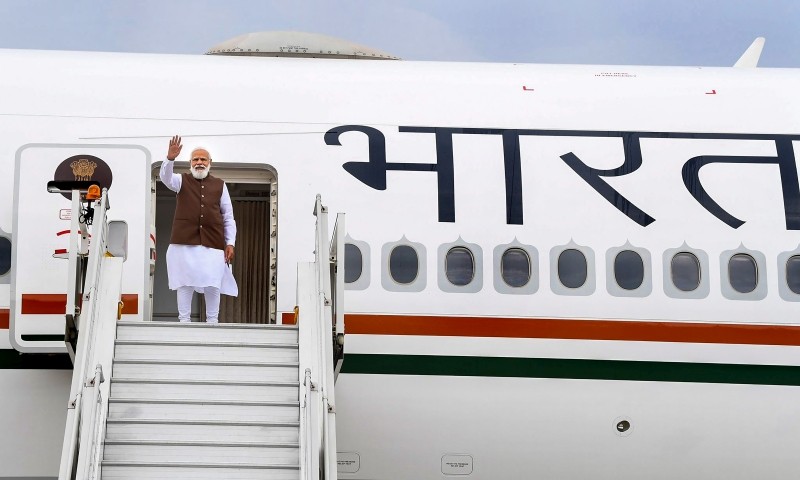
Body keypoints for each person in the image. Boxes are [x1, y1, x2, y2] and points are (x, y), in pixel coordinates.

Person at [160, 135, 237, 323]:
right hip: (184, 243)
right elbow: (165, 178)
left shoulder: (220, 185)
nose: (199, 162)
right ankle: (184, 323)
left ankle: (213, 323)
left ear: (210, 163)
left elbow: (228, 216)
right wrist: (170, 158)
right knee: (184, 283)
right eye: (196, 159)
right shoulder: (181, 181)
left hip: (213, 243)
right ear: (190, 163)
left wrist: (230, 243)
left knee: (213, 283)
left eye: (203, 159)